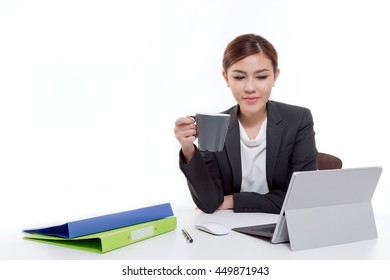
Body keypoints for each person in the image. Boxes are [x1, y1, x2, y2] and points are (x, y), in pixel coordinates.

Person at [174, 33, 317, 214]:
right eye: (240, 77)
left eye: (261, 77)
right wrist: (188, 149)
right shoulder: (215, 126)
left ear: (275, 76)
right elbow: (209, 203)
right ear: (226, 78)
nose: (250, 88)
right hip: (230, 230)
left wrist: (234, 200)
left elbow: (301, 199)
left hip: (282, 226)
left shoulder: (298, 120)